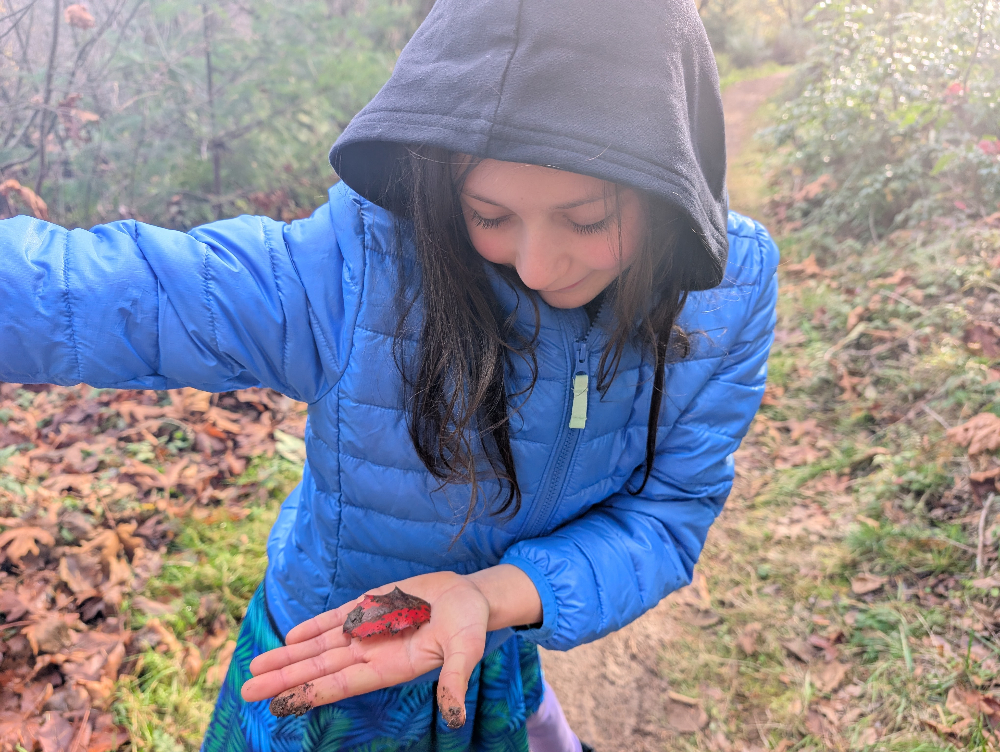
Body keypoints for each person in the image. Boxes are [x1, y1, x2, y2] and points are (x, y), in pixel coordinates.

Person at [0, 0, 779, 749]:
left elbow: (670, 514)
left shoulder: (732, 289)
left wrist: (491, 596)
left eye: (586, 220)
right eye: (490, 214)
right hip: (328, 655)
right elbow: (113, 290)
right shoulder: (360, 264)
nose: (538, 265)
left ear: (672, 183)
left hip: (490, 640)